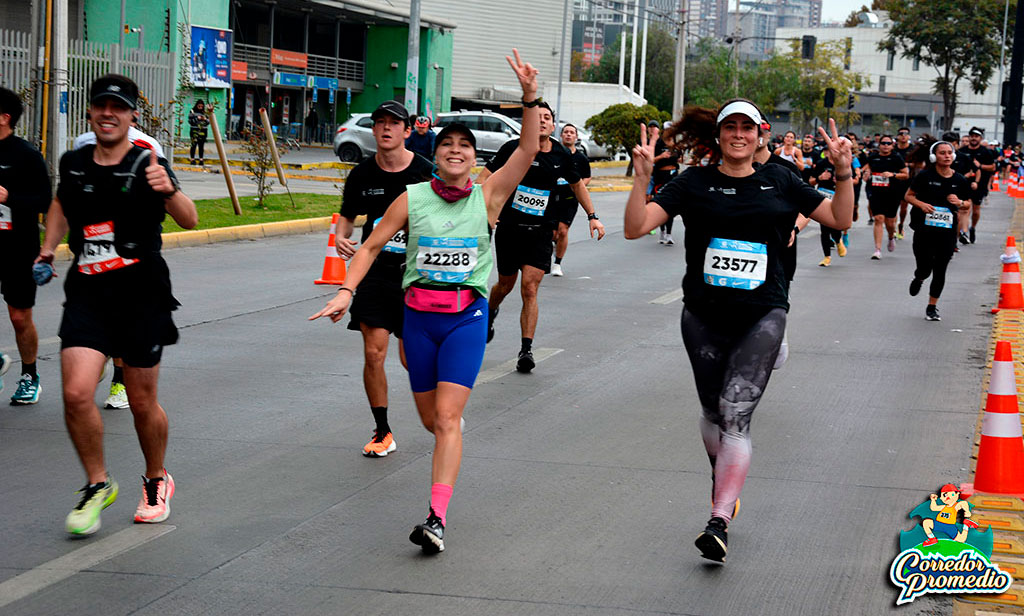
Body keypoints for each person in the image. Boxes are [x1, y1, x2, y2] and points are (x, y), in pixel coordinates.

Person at [311, 49, 542, 554]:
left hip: (466, 317)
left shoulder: (489, 196)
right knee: (429, 420)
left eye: (465, 145)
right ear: (435, 155)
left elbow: (525, 152)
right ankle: (449, 434)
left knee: (446, 420)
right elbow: (370, 245)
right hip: (417, 317)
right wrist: (345, 290)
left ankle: (436, 517)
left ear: (475, 157)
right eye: (447, 145)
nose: (456, 151)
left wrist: (529, 98)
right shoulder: (413, 197)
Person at [624, 100, 853, 563]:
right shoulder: (693, 182)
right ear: (719, 136)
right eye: (731, 127)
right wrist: (642, 176)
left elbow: (840, 220)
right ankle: (724, 476)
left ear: (759, 135)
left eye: (747, 128)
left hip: (763, 312)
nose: (739, 135)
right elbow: (634, 228)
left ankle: (719, 519)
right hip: (703, 315)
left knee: (736, 413)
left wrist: (844, 173)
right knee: (712, 412)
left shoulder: (782, 178)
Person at [37, 74, 198, 536]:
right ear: (91, 111)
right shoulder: (74, 163)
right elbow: (61, 206)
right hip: (88, 293)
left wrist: (168, 188)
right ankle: (97, 482)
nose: (108, 113)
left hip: (141, 297)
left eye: (118, 107)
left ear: (131, 116)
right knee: (74, 393)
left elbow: (189, 219)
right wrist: (48, 247)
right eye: (101, 105)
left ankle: (155, 478)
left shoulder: (148, 162)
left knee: (142, 402)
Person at [476, 101, 605, 373]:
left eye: (547, 117)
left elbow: (577, 184)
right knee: (505, 285)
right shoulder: (512, 149)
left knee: (530, 288)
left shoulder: (560, 154)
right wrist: (486, 209)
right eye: (538, 118)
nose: (543, 121)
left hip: (541, 232)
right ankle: (490, 311)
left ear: (553, 124)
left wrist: (592, 216)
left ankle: (526, 349)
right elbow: (483, 178)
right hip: (511, 228)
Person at [335, 100, 433, 457]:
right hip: (375, 273)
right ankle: (382, 430)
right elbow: (347, 217)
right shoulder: (361, 174)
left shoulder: (424, 172)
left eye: (394, 123)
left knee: (413, 360)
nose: (386, 128)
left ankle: (441, 411)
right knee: (373, 352)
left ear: (408, 131)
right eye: (380, 123)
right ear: (373, 130)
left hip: (417, 275)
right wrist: (341, 237)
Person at [0, 87, 52, 404]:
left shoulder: (26, 155)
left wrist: (9, 198)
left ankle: (29, 376)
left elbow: (44, 200)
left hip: (18, 246)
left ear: (5, 118)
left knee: (19, 318)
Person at [904, 140, 971, 321]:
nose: (947, 156)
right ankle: (919, 278)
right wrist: (922, 205)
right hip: (924, 231)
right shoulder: (925, 176)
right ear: (934, 156)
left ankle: (932, 307)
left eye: (950, 152)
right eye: (942, 153)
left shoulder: (960, 180)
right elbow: (908, 196)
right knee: (925, 268)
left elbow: (968, 205)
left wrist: (960, 203)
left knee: (940, 269)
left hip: (947, 233)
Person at [550, 123, 592, 275]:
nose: (568, 134)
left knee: (563, 230)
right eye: (565, 132)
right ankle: (555, 245)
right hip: (552, 197)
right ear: (561, 135)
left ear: (576, 136)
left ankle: (557, 264)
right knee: (553, 234)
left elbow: (587, 177)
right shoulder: (555, 153)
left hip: (569, 199)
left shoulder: (581, 158)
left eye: (571, 132)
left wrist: (576, 186)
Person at [861, 135, 909, 259]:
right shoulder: (873, 157)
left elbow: (905, 175)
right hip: (876, 192)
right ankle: (877, 249)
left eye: (888, 143)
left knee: (890, 222)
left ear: (892, 145)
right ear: (879, 144)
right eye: (883, 143)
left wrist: (892, 174)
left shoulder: (896, 158)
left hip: (892, 193)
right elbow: (867, 170)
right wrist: (866, 175)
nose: (886, 145)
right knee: (878, 218)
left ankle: (891, 236)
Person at [956, 127, 996, 244]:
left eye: (976, 136)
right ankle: (964, 231)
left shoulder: (985, 152)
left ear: (980, 138)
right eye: (972, 136)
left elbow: (992, 167)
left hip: (980, 184)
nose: (973, 138)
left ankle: (972, 227)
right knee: (964, 208)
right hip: (964, 183)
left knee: (976, 209)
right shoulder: (962, 151)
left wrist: (980, 166)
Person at [809, 152, 848, 267]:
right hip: (823, 197)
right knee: (824, 228)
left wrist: (841, 181)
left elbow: (853, 181)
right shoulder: (822, 163)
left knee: (834, 224)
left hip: (838, 196)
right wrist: (820, 178)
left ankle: (838, 240)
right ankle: (827, 257)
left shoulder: (843, 164)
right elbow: (811, 181)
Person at [652, 124, 681, 245]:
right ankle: (662, 231)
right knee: (661, 205)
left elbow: (680, 158)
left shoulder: (675, 144)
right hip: (660, 176)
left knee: (671, 205)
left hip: (673, 175)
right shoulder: (658, 143)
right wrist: (661, 156)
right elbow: (651, 159)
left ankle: (669, 233)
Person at [894, 127, 914, 239]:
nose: (903, 136)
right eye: (901, 133)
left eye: (906, 134)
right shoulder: (893, 149)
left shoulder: (913, 150)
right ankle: (893, 226)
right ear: (897, 136)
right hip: (894, 180)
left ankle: (901, 224)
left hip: (907, 180)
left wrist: (908, 165)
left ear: (909, 136)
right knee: (893, 206)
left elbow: (920, 164)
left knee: (903, 207)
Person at [188, 101, 209, 165]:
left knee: (201, 145)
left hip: (203, 131)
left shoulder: (205, 112)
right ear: (196, 105)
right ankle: (192, 159)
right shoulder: (192, 111)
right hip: (194, 130)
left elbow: (208, 122)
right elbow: (190, 121)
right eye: (199, 106)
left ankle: (201, 159)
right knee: (193, 145)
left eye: (202, 106)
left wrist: (204, 119)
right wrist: (197, 118)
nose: (200, 108)